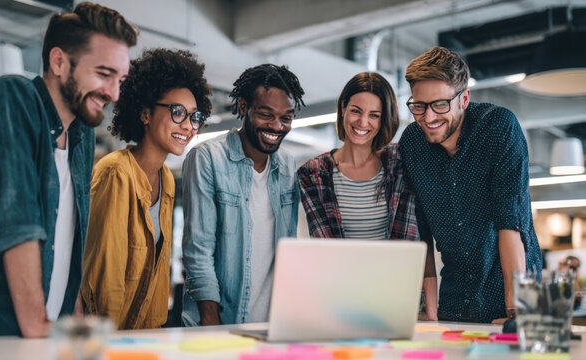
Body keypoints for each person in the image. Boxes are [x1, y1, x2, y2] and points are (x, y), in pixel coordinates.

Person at [0, 3, 137, 337]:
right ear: (59, 61)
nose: (114, 93)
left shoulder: (82, 134)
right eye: (104, 74)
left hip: (43, 339)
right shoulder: (11, 98)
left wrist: (74, 331)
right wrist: (38, 326)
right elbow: (18, 224)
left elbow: (67, 247)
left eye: (120, 79)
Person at [398, 46, 543, 324]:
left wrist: (516, 313)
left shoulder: (498, 127)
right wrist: (429, 310)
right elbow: (422, 235)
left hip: (515, 294)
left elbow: (510, 223)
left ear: (464, 98)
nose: (428, 118)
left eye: (440, 105)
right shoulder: (412, 144)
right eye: (419, 106)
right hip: (455, 298)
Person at [81, 49, 211, 330]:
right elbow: (105, 279)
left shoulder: (167, 179)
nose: (188, 126)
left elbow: (157, 277)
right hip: (108, 338)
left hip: (143, 339)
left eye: (194, 116)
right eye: (178, 112)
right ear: (145, 114)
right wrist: (114, 344)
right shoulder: (116, 172)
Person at [296, 72, 437, 320]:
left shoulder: (400, 163)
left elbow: (407, 244)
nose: (363, 122)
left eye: (374, 115)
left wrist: (429, 308)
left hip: (399, 303)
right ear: (343, 108)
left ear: (384, 120)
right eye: (356, 111)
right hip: (340, 306)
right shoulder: (313, 174)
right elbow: (329, 251)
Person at [181, 64, 305, 326]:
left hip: (271, 325)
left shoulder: (287, 166)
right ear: (243, 106)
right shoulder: (208, 159)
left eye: (286, 117)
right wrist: (211, 323)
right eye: (265, 114)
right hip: (221, 322)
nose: (276, 126)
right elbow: (198, 251)